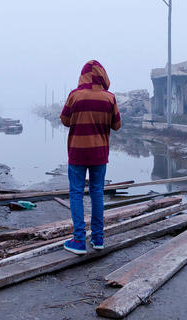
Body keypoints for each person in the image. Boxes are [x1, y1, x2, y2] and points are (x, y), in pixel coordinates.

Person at [60, 60, 121, 255]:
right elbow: (117, 125)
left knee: (76, 193)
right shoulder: (109, 98)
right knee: (97, 192)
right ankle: (98, 238)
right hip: (99, 153)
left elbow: (65, 120)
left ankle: (79, 240)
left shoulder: (74, 96)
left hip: (78, 152)